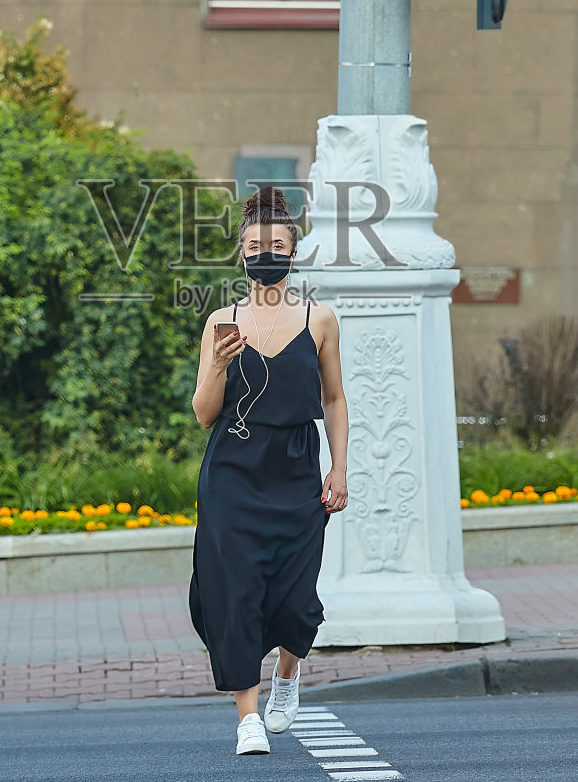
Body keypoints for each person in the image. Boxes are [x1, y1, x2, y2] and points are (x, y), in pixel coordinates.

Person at [188, 187, 350, 756]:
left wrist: (339, 469)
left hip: (297, 467)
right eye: (255, 245)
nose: (265, 253)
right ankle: (247, 718)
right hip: (233, 470)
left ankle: (287, 674)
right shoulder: (220, 322)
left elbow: (333, 399)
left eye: (276, 245)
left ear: (293, 252)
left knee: (297, 595)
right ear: (240, 254)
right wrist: (217, 367)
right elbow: (205, 413)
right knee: (234, 594)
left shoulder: (319, 319)